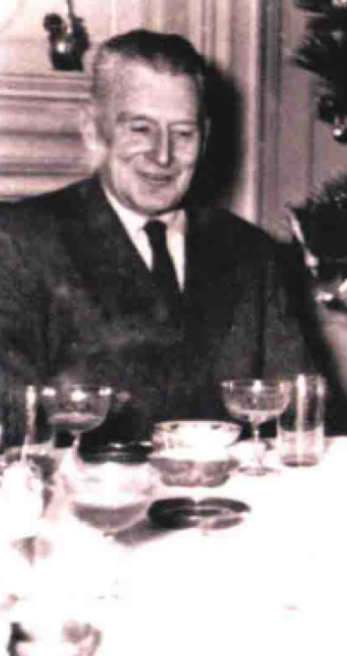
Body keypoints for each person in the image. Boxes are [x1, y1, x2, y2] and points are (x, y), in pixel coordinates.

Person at [0, 29, 311, 447]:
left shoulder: (251, 253)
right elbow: (9, 421)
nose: (163, 155)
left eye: (183, 134)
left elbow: (304, 417)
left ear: (205, 138)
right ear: (92, 130)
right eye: (141, 128)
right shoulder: (21, 240)